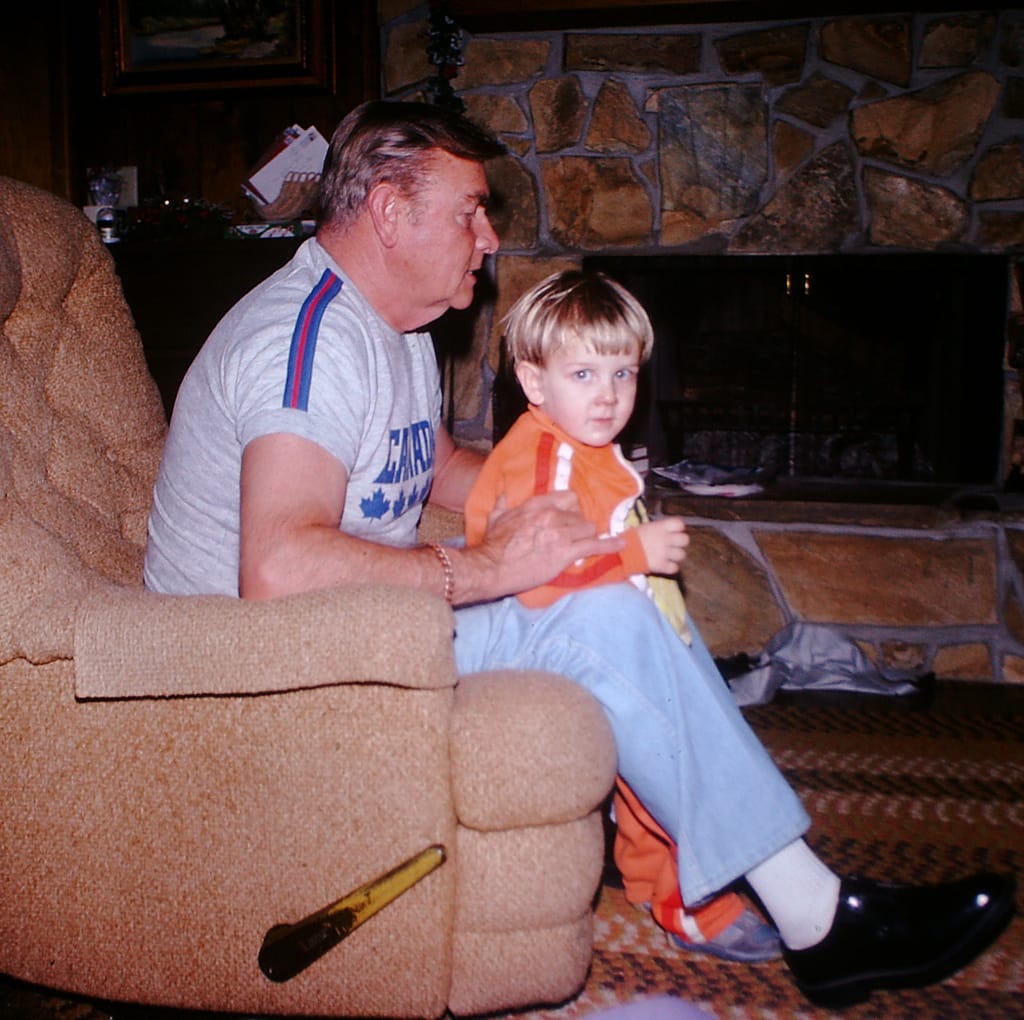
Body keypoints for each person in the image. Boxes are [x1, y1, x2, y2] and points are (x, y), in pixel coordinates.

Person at [144, 99, 1015, 1010]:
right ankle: (818, 919)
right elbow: (277, 569)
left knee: (608, 588)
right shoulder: (309, 340)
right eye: (470, 210)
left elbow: (435, 464)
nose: (488, 236)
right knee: (594, 615)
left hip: (357, 636)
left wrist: (573, 489)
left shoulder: (392, 331)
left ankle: (786, 897)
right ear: (392, 215)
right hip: (259, 677)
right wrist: (488, 570)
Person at [463, 268, 777, 963]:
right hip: (531, 633)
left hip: (577, 622)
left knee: (654, 746)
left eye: (623, 374)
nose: (607, 396)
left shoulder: (584, 448)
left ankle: (670, 875)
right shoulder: (549, 459)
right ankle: (688, 896)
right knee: (654, 752)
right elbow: (539, 578)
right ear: (536, 383)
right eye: (583, 374)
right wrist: (634, 551)